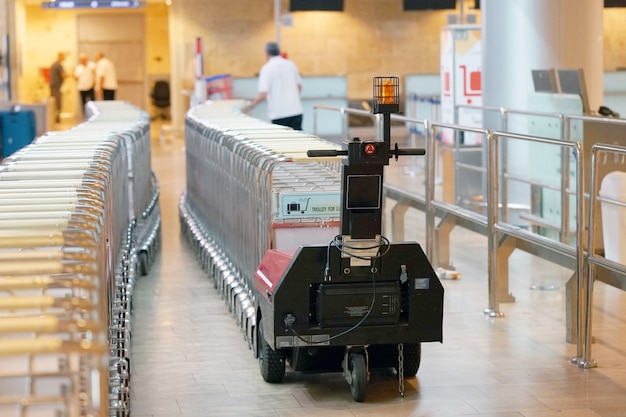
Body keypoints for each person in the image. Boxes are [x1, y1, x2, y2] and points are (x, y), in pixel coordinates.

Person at [246, 42, 303, 130]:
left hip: (279, 113)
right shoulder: (291, 64)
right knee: (298, 141)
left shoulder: (267, 68)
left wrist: (251, 106)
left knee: (282, 141)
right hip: (296, 110)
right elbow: (299, 87)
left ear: (267, 54)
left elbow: (263, 94)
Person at [49, 52, 67, 123]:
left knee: (53, 103)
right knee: (57, 103)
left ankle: (53, 118)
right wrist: (71, 76)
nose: (64, 58)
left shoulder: (54, 64)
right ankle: (57, 119)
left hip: (53, 85)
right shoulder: (59, 65)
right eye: (63, 56)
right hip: (56, 86)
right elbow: (63, 75)